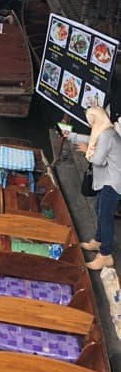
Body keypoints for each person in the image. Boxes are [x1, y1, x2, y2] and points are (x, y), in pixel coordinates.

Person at [77, 106, 121, 270]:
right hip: (108, 179)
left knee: (106, 217)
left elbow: (98, 160)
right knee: (99, 209)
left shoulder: (106, 135)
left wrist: (85, 151)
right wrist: (74, 138)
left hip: (114, 182)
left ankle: (105, 255)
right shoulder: (106, 131)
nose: (89, 125)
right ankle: (98, 240)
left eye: (90, 121)